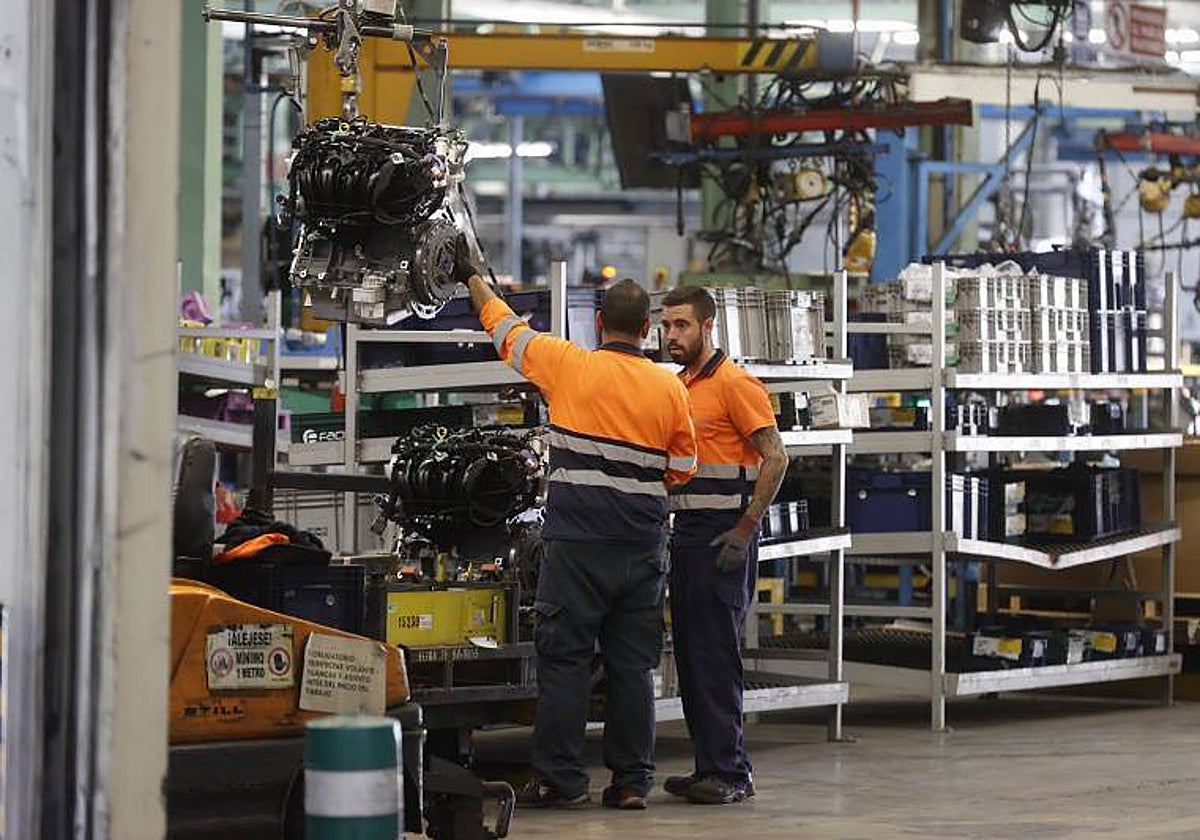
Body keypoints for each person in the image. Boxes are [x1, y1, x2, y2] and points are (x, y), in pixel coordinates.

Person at [454, 239, 698, 811]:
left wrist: (472, 278)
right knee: (632, 668)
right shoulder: (670, 386)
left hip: (577, 546)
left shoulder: (568, 364)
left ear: (598, 324)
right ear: (647, 330)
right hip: (641, 546)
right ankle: (632, 782)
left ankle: (563, 782)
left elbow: (506, 330)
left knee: (565, 664)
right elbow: (684, 468)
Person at [659, 285, 789, 805]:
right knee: (692, 657)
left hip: (723, 537)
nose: (671, 335)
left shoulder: (735, 384)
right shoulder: (679, 386)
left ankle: (732, 773)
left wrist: (746, 526)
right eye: (666, 325)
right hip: (688, 536)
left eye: (682, 325)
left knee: (715, 655)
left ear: (707, 326)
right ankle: (708, 766)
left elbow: (776, 457)